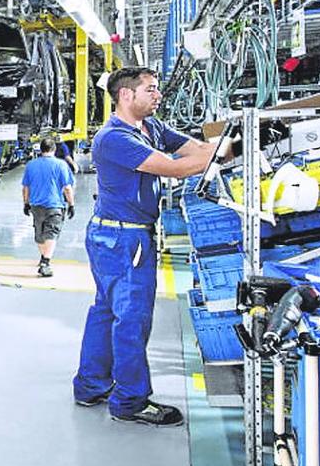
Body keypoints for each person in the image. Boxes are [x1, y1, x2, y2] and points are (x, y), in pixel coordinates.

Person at [72, 67, 220, 427]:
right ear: (126, 95)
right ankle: (130, 400)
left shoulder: (151, 127)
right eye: (151, 90)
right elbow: (175, 168)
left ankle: (90, 385)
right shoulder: (113, 138)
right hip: (125, 239)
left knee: (106, 311)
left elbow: (194, 149)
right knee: (131, 319)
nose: (158, 96)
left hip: (115, 235)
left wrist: (217, 148)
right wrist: (227, 152)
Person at [21, 137, 75, 277]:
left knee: (39, 234)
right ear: (54, 149)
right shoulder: (61, 165)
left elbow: (25, 187)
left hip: (36, 205)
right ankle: (45, 262)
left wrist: (26, 203)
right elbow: (67, 188)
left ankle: (44, 258)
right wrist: (71, 204)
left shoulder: (31, 165)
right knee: (52, 233)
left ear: (41, 149)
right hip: (54, 205)